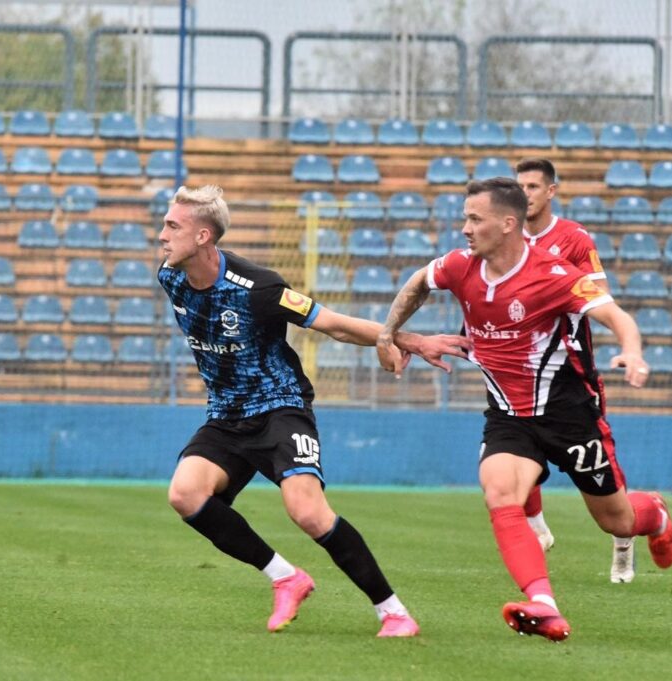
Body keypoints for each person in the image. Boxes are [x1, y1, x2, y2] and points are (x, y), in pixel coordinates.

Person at [158, 185, 469, 638]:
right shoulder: (170, 277)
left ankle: (394, 612)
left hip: (280, 409)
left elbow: (335, 326)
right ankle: (286, 577)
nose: (162, 234)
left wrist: (409, 340)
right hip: (225, 416)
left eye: (172, 226)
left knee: (307, 512)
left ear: (203, 235)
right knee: (185, 494)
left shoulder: (259, 287)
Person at [375, 178, 672, 641]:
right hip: (508, 417)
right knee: (499, 492)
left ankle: (654, 513)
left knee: (616, 520)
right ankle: (544, 605)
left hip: (570, 416)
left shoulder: (553, 275)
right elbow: (419, 282)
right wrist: (388, 333)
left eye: (474, 219)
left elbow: (616, 316)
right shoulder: (459, 266)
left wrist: (632, 351)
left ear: (507, 223)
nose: (465, 228)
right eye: (465, 218)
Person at [514, 158, 635, 583]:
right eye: (519, 186)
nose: (525, 194)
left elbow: (600, 296)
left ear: (551, 191)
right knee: (508, 454)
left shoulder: (574, 239)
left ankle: (624, 540)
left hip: (571, 374)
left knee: (602, 480)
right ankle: (537, 528)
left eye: (533, 186)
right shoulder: (506, 238)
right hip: (519, 370)